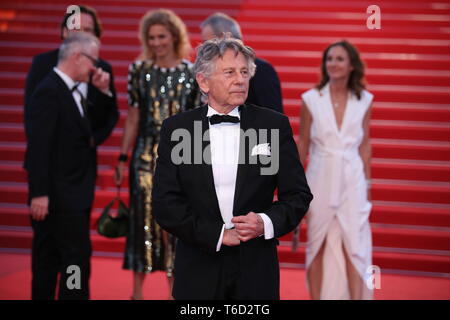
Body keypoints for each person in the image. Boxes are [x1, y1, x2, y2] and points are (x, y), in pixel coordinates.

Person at [152, 37, 313, 300]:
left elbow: (297, 195)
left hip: (255, 268)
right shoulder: (178, 129)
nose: (240, 80)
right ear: (203, 82)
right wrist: (218, 235)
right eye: (229, 72)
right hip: (197, 265)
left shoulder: (272, 126)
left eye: (244, 72)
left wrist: (264, 222)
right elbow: (165, 203)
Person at [113, 9, 200, 300]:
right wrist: (123, 158)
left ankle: (176, 293)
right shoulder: (138, 70)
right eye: (151, 38)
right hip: (144, 157)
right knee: (142, 223)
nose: (157, 43)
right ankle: (136, 294)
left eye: (162, 36)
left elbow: (197, 121)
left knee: (176, 227)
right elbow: (133, 117)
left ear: (174, 36)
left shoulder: (190, 72)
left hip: (181, 157)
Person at [26, 32, 110, 299]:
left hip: (69, 193)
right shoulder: (49, 91)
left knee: (55, 257)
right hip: (60, 196)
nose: (96, 67)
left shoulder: (68, 88)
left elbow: (97, 125)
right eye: (93, 60)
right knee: (72, 259)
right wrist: (40, 193)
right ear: (77, 56)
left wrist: (104, 91)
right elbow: (39, 146)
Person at [299, 40, 373, 300]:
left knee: (354, 245)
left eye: (340, 59)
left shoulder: (364, 99)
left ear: (351, 65)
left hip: (352, 178)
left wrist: (368, 185)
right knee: (316, 243)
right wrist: (295, 189)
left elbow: (365, 144)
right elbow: (303, 143)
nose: (333, 63)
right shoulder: (310, 99)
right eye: (329, 58)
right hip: (319, 175)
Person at [24, 4, 118, 148]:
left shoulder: (102, 69)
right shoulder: (42, 64)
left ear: (96, 36)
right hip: (46, 157)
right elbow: (31, 112)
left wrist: (93, 140)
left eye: (87, 30)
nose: (81, 35)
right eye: (76, 29)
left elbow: (110, 115)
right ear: (64, 32)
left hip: (84, 161)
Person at [200, 12, 283, 113]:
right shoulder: (207, 69)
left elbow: (273, 116)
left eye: (206, 42)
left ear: (224, 38)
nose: (203, 48)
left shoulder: (261, 70)